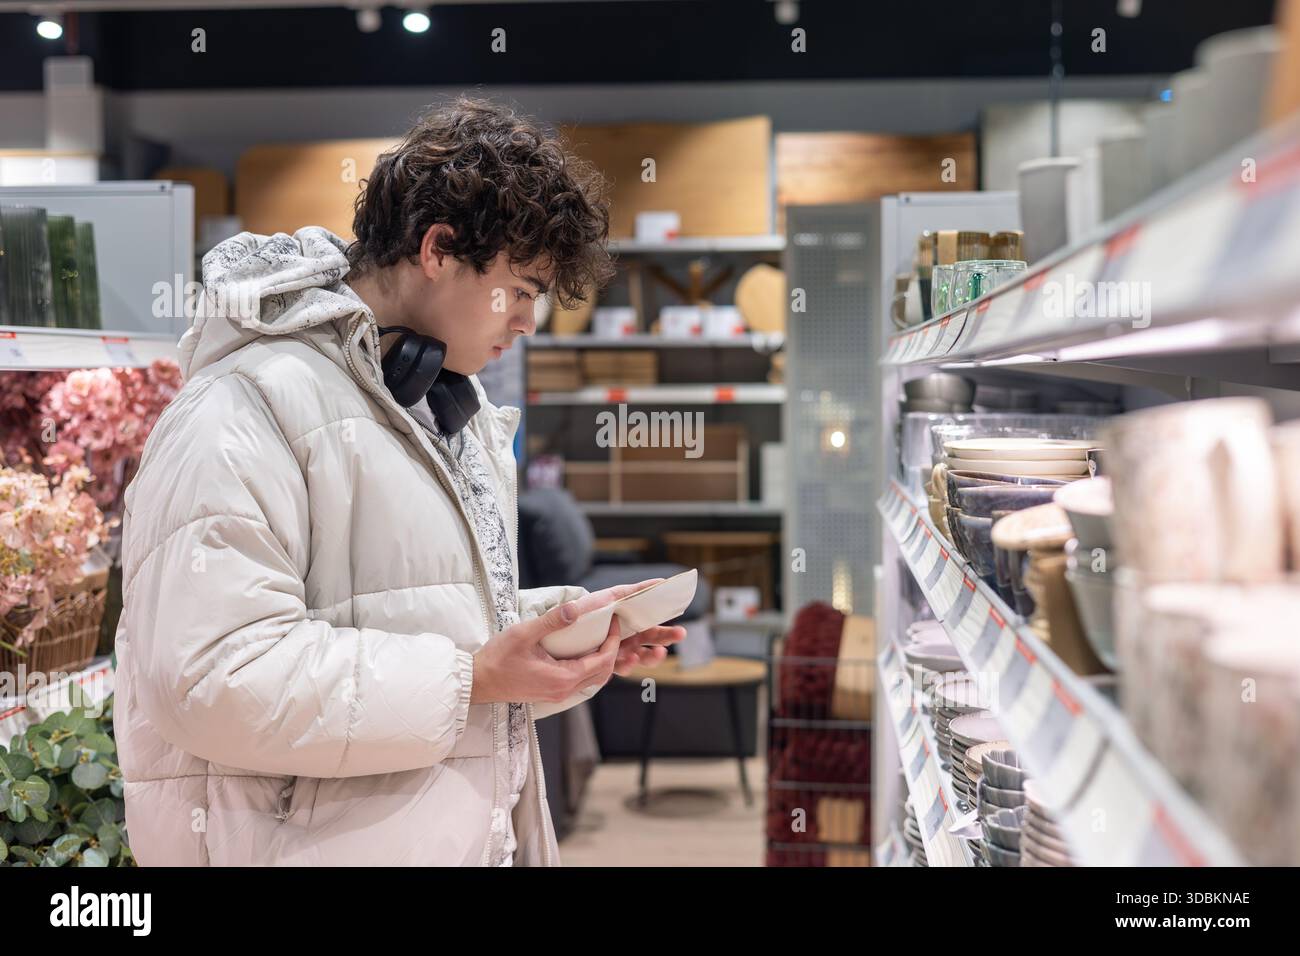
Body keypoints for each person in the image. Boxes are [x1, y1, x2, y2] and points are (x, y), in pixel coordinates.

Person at [112, 97, 683, 866]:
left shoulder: (439, 405)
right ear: (439, 248)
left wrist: (562, 633)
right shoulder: (240, 411)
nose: (527, 323)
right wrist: (472, 678)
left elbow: (410, 610)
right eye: (518, 290)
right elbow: (209, 679)